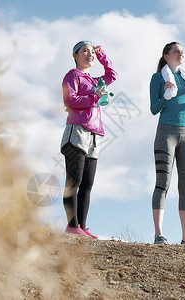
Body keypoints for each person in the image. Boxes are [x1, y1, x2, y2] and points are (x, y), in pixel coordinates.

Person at [149, 42, 185, 245]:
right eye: (176, 51)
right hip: (166, 131)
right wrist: (165, 95)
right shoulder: (158, 78)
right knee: (162, 183)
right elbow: (154, 109)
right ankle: (158, 235)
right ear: (166, 56)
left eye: (182, 51)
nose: (181, 54)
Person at [60, 41, 117, 238]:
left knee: (87, 184)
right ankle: (72, 225)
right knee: (74, 181)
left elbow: (112, 76)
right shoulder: (72, 75)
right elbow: (69, 100)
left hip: (94, 135)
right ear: (75, 55)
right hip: (76, 132)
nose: (89, 54)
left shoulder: (94, 80)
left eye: (91, 51)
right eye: (85, 51)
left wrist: (102, 55)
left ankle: (82, 226)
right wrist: (94, 97)